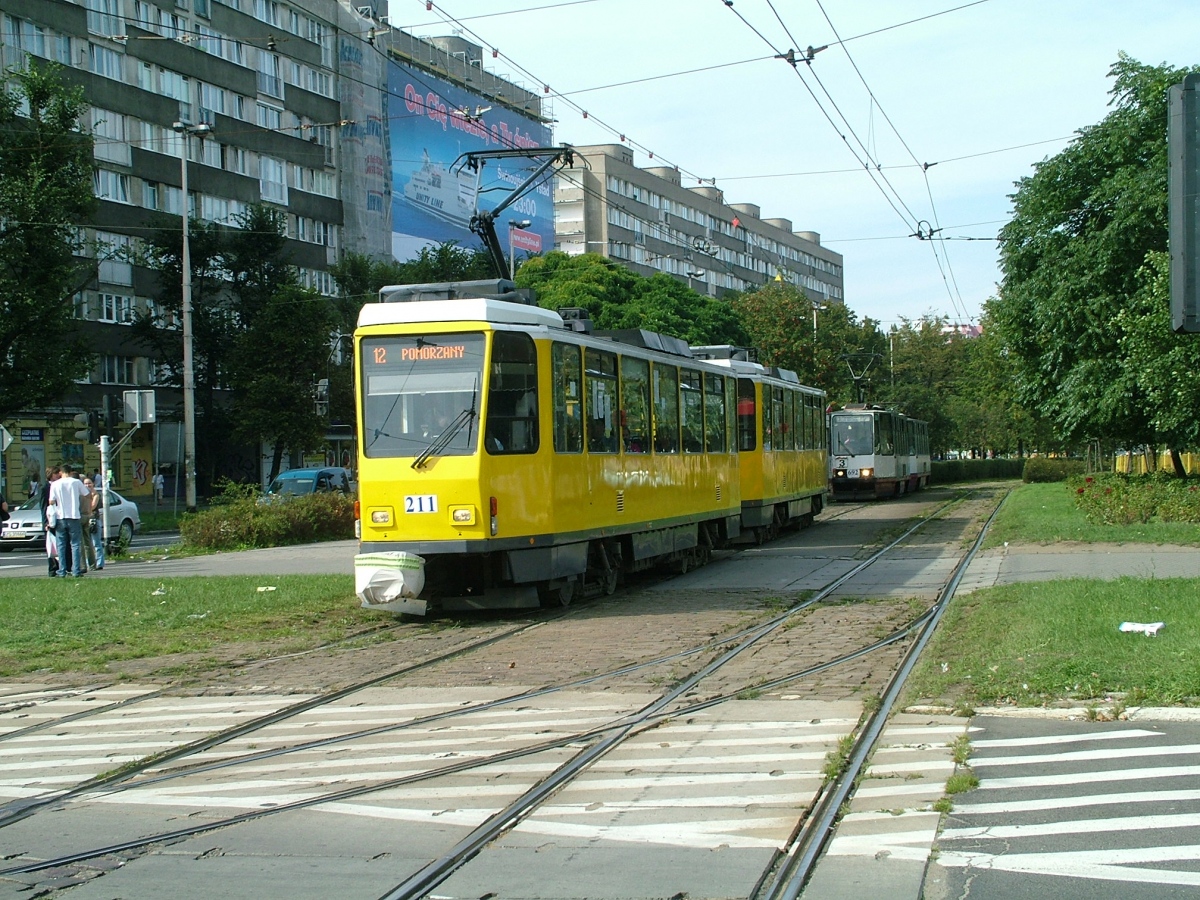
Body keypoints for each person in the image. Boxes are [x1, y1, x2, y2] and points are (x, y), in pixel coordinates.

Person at [50, 463, 88, 577]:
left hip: (60, 517)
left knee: (61, 545)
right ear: (71, 472)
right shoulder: (76, 482)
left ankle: (62, 570)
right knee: (75, 544)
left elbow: (51, 501)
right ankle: (76, 570)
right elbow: (86, 493)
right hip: (74, 516)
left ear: (60, 472)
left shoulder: (55, 484)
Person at [86, 477, 105, 570]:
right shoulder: (83, 495)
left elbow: (92, 507)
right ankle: (89, 563)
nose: (87, 485)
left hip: (94, 520)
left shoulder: (95, 495)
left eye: (89, 483)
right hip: (85, 520)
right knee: (87, 543)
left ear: (93, 484)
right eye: (85, 484)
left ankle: (99, 563)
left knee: (96, 543)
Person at [80, 477, 98, 572]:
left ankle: (82, 565)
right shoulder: (89, 493)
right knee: (88, 541)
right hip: (88, 516)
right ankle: (92, 564)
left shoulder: (80, 492)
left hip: (80, 516)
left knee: (79, 542)